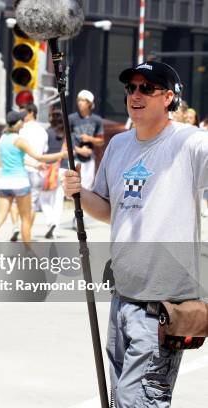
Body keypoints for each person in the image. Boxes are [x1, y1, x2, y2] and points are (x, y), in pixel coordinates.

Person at [63, 61, 208, 407]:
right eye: (131, 88)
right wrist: (79, 193)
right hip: (122, 296)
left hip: (162, 303)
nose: (136, 95)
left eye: (147, 88)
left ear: (169, 98)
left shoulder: (190, 142)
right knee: (121, 399)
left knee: (139, 401)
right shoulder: (118, 145)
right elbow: (109, 207)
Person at [0, 110, 66, 243]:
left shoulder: (2, 139)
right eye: (21, 121)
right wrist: (61, 155)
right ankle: (28, 251)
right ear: (16, 123)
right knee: (26, 219)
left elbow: (17, 160)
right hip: (20, 183)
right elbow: (39, 156)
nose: (23, 123)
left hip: (4, 183)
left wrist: (34, 165)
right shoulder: (19, 140)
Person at [19, 103, 49, 230]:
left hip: (22, 171)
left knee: (18, 204)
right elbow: (44, 151)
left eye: (23, 113)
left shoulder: (21, 130)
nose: (21, 116)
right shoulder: (43, 131)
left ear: (31, 112)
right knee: (32, 207)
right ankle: (28, 233)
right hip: (37, 171)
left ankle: (17, 229)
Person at [39, 107, 66, 239]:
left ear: (51, 118)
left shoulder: (47, 132)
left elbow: (42, 151)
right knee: (58, 200)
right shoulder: (67, 133)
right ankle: (55, 229)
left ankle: (50, 221)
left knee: (43, 198)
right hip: (64, 168)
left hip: (50, 169)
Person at [69, 90, 104, 189]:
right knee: (73, 188)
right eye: (79, 100)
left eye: (83, 100)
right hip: (74, 158)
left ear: (89, 103)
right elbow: (66, 139)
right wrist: (78, 150)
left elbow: (101, 141)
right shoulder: (71, 118)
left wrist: (90, 138)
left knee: (87, 188)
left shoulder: (97, 120)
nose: (80, 103)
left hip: (89, 158)